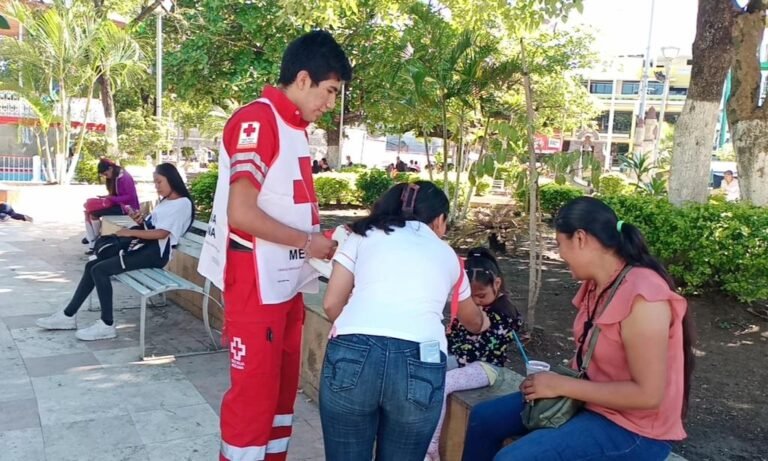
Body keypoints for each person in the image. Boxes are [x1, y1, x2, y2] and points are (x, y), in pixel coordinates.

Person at [199, 30, 352, 461]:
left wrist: (315, 242)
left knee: (280, 398)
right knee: (253, 399)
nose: (329, 103)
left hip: (286, 281)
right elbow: (242, 213)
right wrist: (309, 242)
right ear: (303, 79)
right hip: (256, 280)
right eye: (329, 91)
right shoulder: (258, 120)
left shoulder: (294, 128)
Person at [461, 196, 694, 461]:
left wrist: (561, 385)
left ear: (581, 238)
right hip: (590, 402)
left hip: (634, 428)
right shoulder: (598, 284)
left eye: (560, 244)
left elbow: (649, 395)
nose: (559, 254)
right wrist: (550, 384)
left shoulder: (644, 296)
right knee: (483, 418)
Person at [320, 181, 490, 461]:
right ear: (438, 220)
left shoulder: (362, 236)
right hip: (421, 360)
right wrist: (484, 322)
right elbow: (472, 320)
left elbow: (331, 303)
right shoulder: (447, 254)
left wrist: (358, 335)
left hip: (352, 351)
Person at [36, 163, 194, 341]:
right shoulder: (166, 201)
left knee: (100, 270)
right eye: (155, 183)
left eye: (159, 182)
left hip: (155, 254)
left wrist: (131, 231)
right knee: (92, 265)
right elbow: (152, 227)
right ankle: (67, 315)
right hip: (145, 248)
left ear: (171, 180)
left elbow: (162, 233)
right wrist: (139, 221)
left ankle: (107, 324)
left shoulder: (182, 204)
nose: (156, 186)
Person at [425, 247, 523, 461]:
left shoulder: (505, 312)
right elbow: (455, 340)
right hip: (458, 360)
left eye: (481, 296)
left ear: (497, 284)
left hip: (486, 367)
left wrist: (473, 316)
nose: (476, 302)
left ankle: (431, 448)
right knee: (421, 371)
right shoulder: (465, 307)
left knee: (444, 383)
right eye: (471, 297)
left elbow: (481, 343)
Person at [83, 158, 139, 254]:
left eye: (106, 174)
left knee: (94, 214)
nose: (106, 177)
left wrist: (111, 199)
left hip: (127, 208)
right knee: (87, 212)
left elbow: (130, 196)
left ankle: (95, 240)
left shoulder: (125, 177)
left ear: (110, 169)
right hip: (119, 205)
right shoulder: (116, 177)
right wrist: (108, 197)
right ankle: (91, 239)